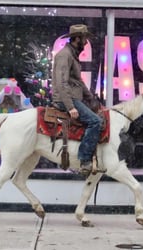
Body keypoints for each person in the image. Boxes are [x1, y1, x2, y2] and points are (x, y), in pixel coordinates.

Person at [51, 24, 102, 176]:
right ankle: (84, 160)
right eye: (85, 38)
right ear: (77, 39)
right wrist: (70, 106)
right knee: (95, 121)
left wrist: (91, 98)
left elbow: (78, 81)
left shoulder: (72, 54)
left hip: (74, 97)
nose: (86, 43)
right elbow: (61, 83)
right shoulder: (64, 55)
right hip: (66, 99)